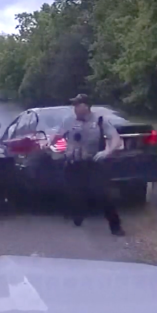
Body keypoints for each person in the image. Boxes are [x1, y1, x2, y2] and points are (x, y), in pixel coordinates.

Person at [55, 94, 126, 236]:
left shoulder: (100, 121)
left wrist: (108, 151)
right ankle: (77, 214)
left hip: (92, 163)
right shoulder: (69, 121)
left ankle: (115, 226)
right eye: (74, 105)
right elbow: (58, 136)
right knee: (73, 192)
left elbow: (115, 138)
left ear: (86, 106)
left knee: (103, 195)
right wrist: (50, 145)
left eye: (77, 105)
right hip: (73, 163)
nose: (74, 108)